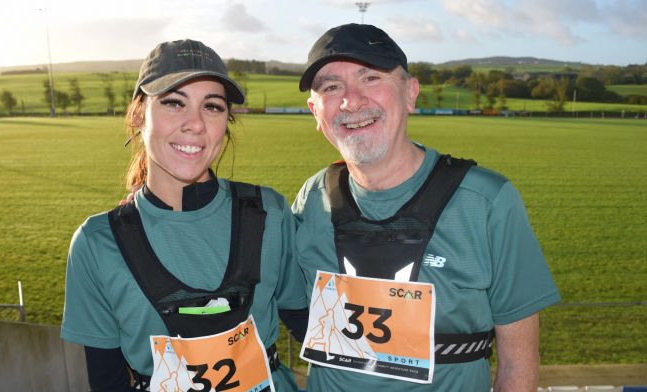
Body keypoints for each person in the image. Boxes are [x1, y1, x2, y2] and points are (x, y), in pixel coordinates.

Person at [292, 23, 561, 391]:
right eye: (331, 87)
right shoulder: (312, 197)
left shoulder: (486, 200)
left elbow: (518, 363)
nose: (351, 101)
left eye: (370, 78)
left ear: (410, 93)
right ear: (315, 111)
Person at [61, 39, 307, 391]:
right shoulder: (98, 243)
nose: (195, 124)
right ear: (138, 115)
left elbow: (311, 325)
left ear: (226, 122)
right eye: (174, 103)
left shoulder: (270, 212)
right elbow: (106, 379)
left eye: (212, 106)